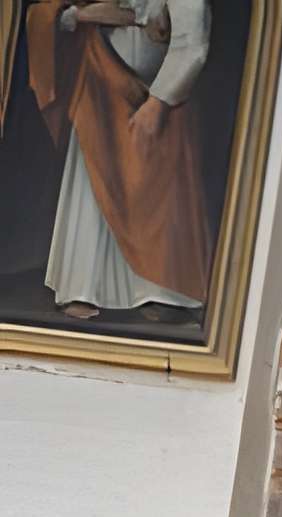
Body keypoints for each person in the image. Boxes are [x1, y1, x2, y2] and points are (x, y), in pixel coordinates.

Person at [25, 0, 213, 322]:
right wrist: (85, 14)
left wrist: (159, 102)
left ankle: (159, 292)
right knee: (92, 185)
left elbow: (191, 41)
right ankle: (83, 287)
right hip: (99, 81)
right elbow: (61, 12)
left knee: (159, 193)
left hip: (159, 96)